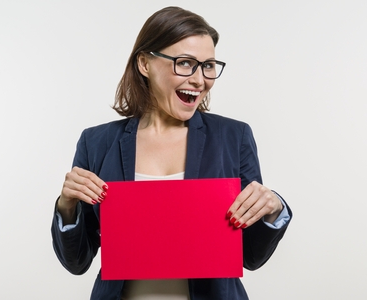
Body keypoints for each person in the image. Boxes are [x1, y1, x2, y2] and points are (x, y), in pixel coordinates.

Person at [51, 6, 292, 300]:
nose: (200, 79)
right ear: (144, 63)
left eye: (208, 65)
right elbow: (77, 262)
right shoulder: (97, 142)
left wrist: (273, 208)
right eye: (186, 63)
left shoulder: (233, 137)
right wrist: (67, 206)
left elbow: (251, 256)